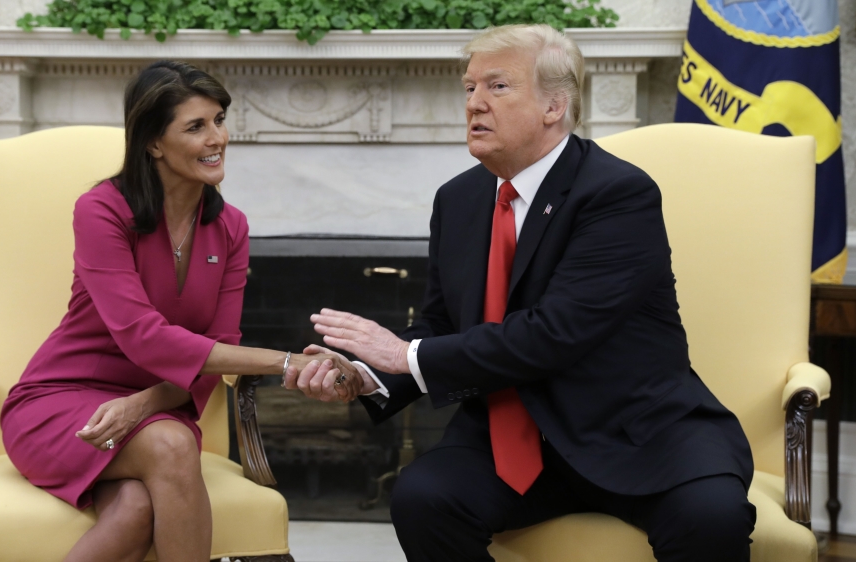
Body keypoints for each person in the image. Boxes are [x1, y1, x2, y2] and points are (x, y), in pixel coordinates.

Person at [290, 24, 756, 562]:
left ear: (554, 106)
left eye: (497, 87)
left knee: (712, 518)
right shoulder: (459, 198)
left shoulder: (616, 194)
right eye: (468, 88)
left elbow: (555, 333)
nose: (474, 104)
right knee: (422, 500)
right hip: (512, 439)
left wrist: (402, 353)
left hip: (634, 433)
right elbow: (441, 323)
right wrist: (369, 374)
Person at [0, 61, 360, 562]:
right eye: (195, 126)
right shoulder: (102, 210)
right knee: (171, 446)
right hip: (62, 404)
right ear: (153, 143)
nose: (217, 138)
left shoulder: (230, 226)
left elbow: (221, 348)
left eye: (219, 119)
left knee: (134, 508)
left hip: (158, 406)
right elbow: (142, 336)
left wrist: (144, 403)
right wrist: (288, 362)